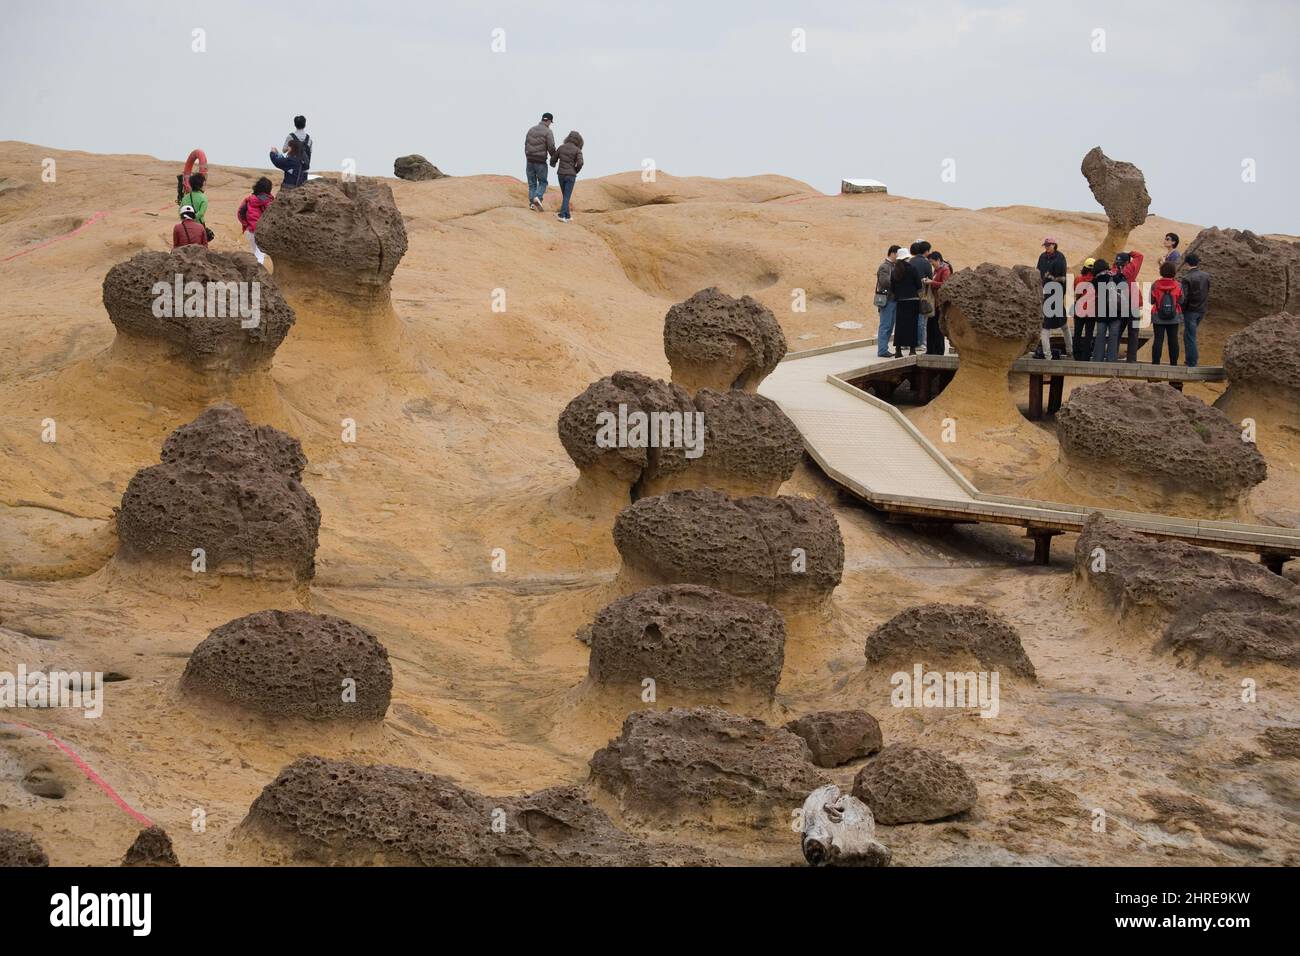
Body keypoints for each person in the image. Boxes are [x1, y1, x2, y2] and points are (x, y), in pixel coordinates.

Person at [1036, 237, 1068, 358]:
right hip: (1045, 294)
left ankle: (1070, 351)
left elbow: (1062, 277)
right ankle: (1047, 354)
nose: (1047, 247)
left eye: (1049, 245)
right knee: (1045, 326)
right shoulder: (1042, 257)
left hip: (1057, 294)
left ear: (1054, 245)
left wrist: (1050, 277)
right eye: (1046, 245)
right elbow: (1038, 272)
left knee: (1063, 324)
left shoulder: (1060, 258)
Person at [1090, 258, 1126, 362]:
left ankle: (1098, 359)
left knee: (1100, 335)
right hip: (1116, 311)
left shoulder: (1096, 280)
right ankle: (1111, 359)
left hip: (1102, 312)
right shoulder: (1115, 277)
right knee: (1113, 336)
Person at [1149, 261, 1184, 365]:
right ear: (1174, 272)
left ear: (1161, 271)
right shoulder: (1178, 285)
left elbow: (1151, 300)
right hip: (1174, 317)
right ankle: (1173, 364)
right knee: (1173, 341)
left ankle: (1155, 364)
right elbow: (1181, 301)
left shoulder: (1155, 285)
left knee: (1158, 340)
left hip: (1158, 316)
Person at [891, 244, 924, 357]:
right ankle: (912, 349)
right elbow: (918, 285)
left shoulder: (895, 270)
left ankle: (898, 350)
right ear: (907, 257)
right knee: (912, 325)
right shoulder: (912, 269)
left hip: (900, 301)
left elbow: (892, 288)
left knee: (900, 326)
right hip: (913, 300)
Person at [1179, 252, 1211, 368]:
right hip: (1201, 310)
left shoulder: (1186, 278)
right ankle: (1190, 360)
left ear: (1187, 263)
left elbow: (1184, 297)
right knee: (1190, 335)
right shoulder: (1206, 275)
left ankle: (1191, 362)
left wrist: (1182, 309)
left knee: (1190, 336)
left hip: (1190, 311)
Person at [1114, 249, 1144, 361]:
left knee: (1117, 331)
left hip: (1119, 305)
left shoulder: (1114, 270)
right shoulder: (1131, 269)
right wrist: (1129, 253)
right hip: (1134, 303)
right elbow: (1140, 255)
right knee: (1134, 332)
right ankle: (1131, 359)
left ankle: (1112, 356)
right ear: (1128, 262)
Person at [237, 177, 275, 265]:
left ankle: (252, 271)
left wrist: (246, 225)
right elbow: (271, 216)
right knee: (260, 254)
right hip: (260, 231)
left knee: (255, 252)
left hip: (250, 231)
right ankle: (257, 274)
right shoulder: (268, 201)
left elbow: (240, 213)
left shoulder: (249, 199)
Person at [525, 112, 558, 210]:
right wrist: (554, 158)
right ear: (548, 121)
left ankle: (532, 203)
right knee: (543, 182)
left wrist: (528, 156)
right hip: (540, 161)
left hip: (529, 160)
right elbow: (551, 147)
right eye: (550, 122)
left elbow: (526, 144)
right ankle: (538, 197)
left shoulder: (531, 129)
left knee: (532, 183)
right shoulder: (548, 132)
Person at [874, 245, 900, 358]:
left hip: (892, 299)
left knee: (889, 326)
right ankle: (882, 350)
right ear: (893, 253)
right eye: (898, 254)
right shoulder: (885, 267)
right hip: (888, 300)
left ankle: (884, 349)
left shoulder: (892, 266)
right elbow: (885, 282)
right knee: (885, 325)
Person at [552, 130, 584, 222]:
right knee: (566, 196)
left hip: (561, 174)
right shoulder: (577, 150)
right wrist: (576, 170)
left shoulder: (561, 147)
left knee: (565, 195)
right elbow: (581, 163)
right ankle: (562, 215)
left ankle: (568, 215)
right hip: (571, 175)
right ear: (578, 140)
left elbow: (554, 158)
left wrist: (552, 163)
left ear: (568, 138)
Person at [925, 250, 952, 354]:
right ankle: (930, 350)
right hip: (934, 304)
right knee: (930, 327)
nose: (932, 264)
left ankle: (938, 350)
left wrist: (932, 282)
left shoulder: (945, 270)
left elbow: (945, 284)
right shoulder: (936, 271)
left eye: (932, 262)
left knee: (937, 329)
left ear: (938, 260)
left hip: (939, 304)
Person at [1071, 258, 1097, 360]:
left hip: (1079, 309)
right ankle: (1086, 356)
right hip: (1091, 310)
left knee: (1077, 333)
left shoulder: (1078, 279)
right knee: (1088, 334)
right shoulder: (1096, 280)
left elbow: (1076, 293)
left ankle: (1076, 355)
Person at [910, 240, 934, 348]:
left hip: (910, 294)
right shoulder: (926, 263)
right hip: (922, 294)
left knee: (911, 319)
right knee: (921, 320)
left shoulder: (911, 261)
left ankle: (910, 342)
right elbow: (930, 278)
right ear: (926, 251)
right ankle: (920, 342)